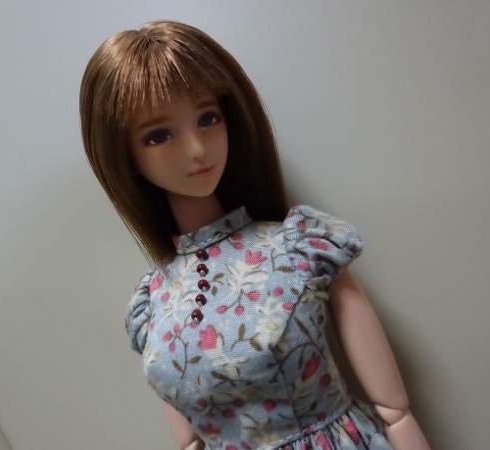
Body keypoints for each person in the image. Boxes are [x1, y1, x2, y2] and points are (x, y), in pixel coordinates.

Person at [79, 20, 430, 450]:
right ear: (125, 155)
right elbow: (189, 442)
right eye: (159, 135)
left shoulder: (300, 248)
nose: (196, 149)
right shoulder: (152, 305)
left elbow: (394, 409)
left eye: (208, 118)